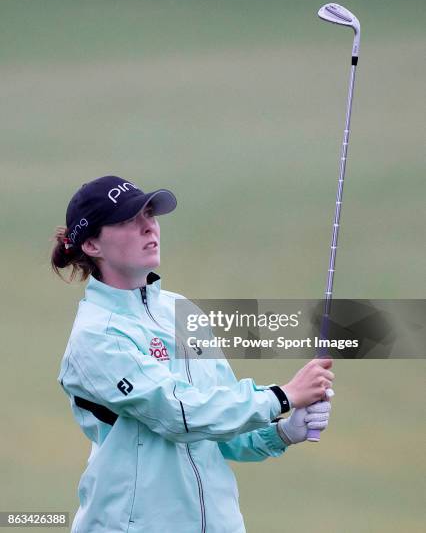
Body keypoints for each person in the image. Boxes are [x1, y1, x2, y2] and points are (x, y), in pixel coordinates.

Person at [53, 175, 334, 533]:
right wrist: (282, 396)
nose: (148, 228)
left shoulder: (181, 311)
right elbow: (178, 412)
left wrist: (285, 431)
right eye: (127, 220)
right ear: (92, 244)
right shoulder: (96, 335)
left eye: (149, 215)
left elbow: (221, 429)